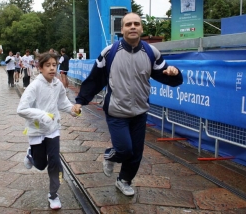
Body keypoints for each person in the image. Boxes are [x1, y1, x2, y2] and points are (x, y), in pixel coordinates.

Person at [72, 12, 183, 196]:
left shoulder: (151, 52)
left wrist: (174, 73)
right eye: (128, 24)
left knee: (136, 152)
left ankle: (124, 180)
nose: (133, 27)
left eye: (136, 24)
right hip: (116, 111)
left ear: (141, 28)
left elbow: (167, 75)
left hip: (140, 112)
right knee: (125, 149)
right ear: (122, 29)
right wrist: (80, 101)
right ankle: (110, 155)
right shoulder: (110, 52)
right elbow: (95, 79)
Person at [17, 52, 80, 210]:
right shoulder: (34, 86)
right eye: (48, 65)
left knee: (54, 162)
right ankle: (31, 155)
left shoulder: (58, 84)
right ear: (40, 67)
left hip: (53, 130)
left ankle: (53, 194)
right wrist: (42, 115)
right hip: (37, 130)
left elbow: (63, 102)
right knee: (40, 165)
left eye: (54, 65)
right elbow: (21, 109)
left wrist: (73, 109)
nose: (52, 68)